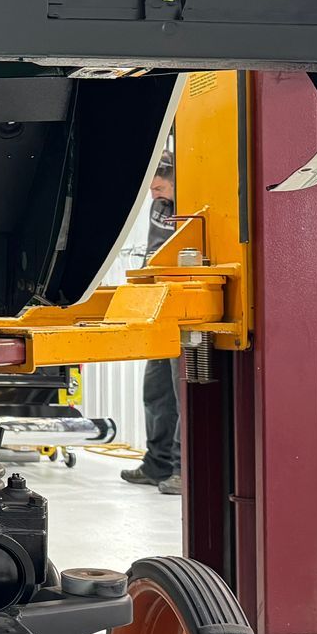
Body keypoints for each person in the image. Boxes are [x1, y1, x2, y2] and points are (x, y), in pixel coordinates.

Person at [123, 153, 181, 495]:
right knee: (156, 390)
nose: (154, 188)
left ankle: (182, 469)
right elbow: (153, 253)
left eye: (161, 181)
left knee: (182, 393)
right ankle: (156, 464)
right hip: (157, 311)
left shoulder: (197, 203)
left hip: (186, 311)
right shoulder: (160, 206)